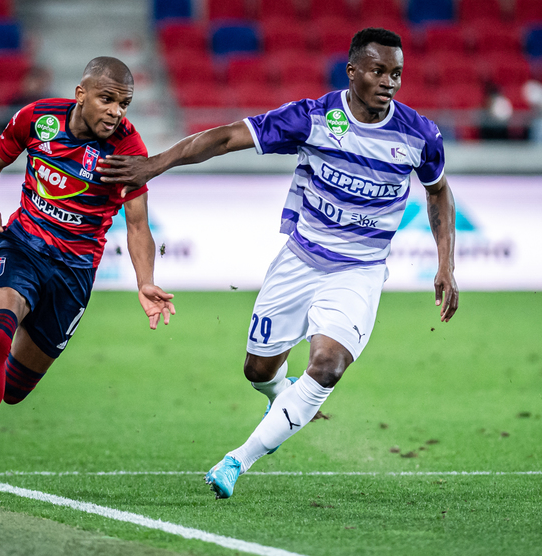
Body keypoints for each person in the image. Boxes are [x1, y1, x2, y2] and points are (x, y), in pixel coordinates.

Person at [97, 28, 459, 499]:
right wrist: (156, 164)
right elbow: (227, 137)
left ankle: (236, 460)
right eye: (378, 71)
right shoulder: (312, 118)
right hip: (300, 261)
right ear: (352, 72)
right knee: (257, 370)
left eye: (396, 73)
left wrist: (446, 264)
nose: (389, 82)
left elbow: (438, 192)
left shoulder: (419, 135)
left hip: (359, 271)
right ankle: (281, 397)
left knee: (327, 365)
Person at [0, 57, 176, 505]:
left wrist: (145, 281)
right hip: (22, 247)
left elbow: (138, 224)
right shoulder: (38, 118)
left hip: (73, 272)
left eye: (124, 104)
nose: (116, 112)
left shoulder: (127, 149)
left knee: (12, 391)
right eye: (107, 99)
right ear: (81, 94)